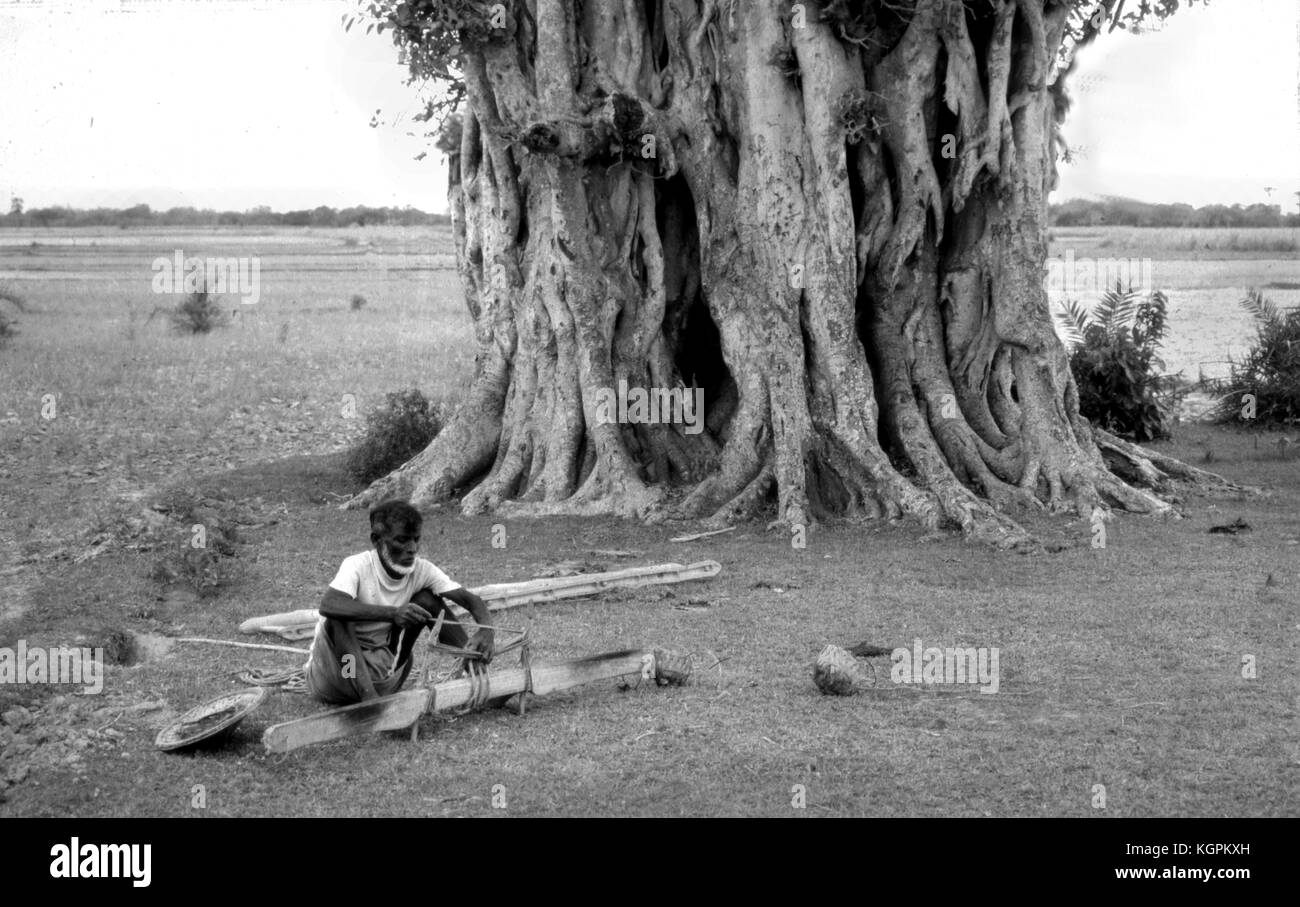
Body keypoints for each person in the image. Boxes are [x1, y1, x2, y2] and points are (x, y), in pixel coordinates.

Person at [304, 499, 495, 704]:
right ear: (377, 540)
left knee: (427, 600)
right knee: (338, 618)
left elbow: (470, 599)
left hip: (384, 676)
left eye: (416, 539)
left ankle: (477, 675)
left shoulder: (422, 570)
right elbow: (329, 605)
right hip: (341, 674)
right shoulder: (357, 566)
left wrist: (486, 630)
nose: (412, 548)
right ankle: (368, 700)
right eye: (402, 540)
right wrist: (393, 614)